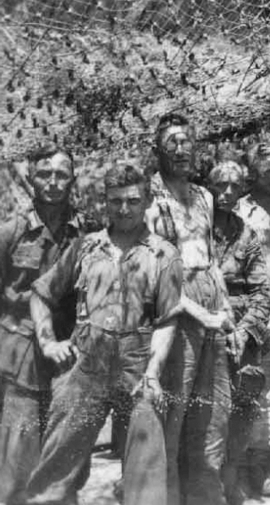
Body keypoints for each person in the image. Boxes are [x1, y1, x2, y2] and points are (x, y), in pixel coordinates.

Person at [25, 163, 182, 505]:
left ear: (147, 201)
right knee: (57, 467)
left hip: (139, 363)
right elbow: (41, 295)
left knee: (146, 470)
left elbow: (167, 320)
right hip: (85, 362)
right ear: (105, 202)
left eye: (133, 201)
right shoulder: (86, 246)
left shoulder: (164, 254)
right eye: (115, 201)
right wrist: (48, 342)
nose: (124, 209)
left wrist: (153, 373)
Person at [146, 113, 234, 505]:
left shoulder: (204, 196)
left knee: (214, 411)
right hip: (173, 310)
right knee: (173, 415)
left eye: (187, 142)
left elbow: (211, 258)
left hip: (211, 302)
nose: (181, 150)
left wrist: (225, 307)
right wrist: (199, 314)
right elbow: (155, 274)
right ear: (158, 150)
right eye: (172, 143)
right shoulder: (149, 199)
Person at [0, 145, 84, 504]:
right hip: (19, 351)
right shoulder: (11, 230)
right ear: (30, 178)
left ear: (73, 180)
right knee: (19, 451)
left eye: (61, 174)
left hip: (68, 350)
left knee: (67, 450)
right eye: (44, 174)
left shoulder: (86, 231)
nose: (52, 182)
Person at [206, 161, 270, 505]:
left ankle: (231, 479)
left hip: (241, 332)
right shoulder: (196, 230)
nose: (228, 193)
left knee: (243, 407)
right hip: (205, 328)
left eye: (235, 186)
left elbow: (262, 292)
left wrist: (246, 330)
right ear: (209, 188)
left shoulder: (247, 235)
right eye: (221, 185)